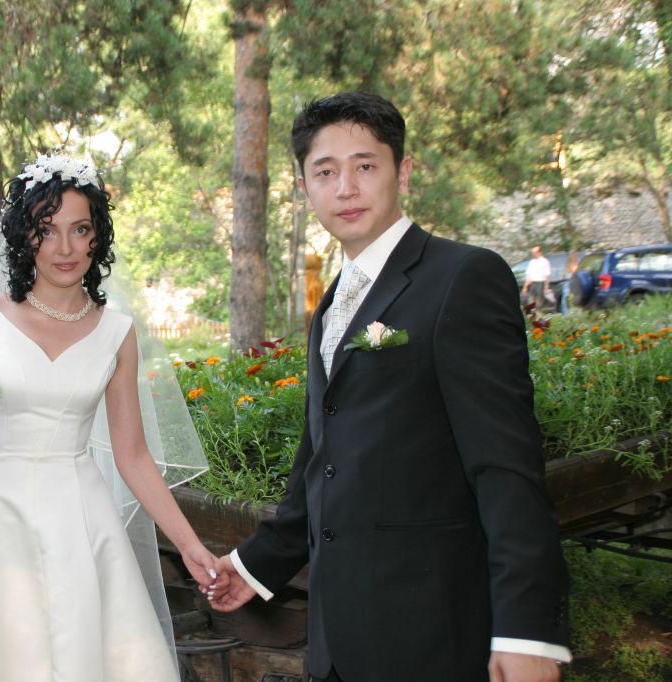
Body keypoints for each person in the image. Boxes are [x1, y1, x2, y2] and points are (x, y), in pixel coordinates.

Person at [209, 93, 570, 682]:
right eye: (325, 172)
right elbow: (324, 457)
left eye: (365, 165)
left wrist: (526, 631)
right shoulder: (333, 302)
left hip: (431, 632)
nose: (346, 188)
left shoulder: (462, 277)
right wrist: (253, 566)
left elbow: (506, 468)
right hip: (338, 637)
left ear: (402, 173)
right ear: (304, 188)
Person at [0, 154, 221, 681]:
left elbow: (133, 455)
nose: (65, 248)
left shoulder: (117, 333)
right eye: (47, 230)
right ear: (24, 235)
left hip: (80, 516)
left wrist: (191, 546)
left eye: (80, 230)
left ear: (97, 237)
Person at [522, 245, 552, 310]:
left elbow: (547, 275)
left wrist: (546, 287)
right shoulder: (531, 262)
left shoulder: (544, 261)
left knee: (539, 302)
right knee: (530, 301)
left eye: (535, 252)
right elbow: (528, 275)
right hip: (533, 283)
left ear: (539, 252)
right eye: (532, 253)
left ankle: (538, 313)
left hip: (541, 283)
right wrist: (525, 287)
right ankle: (531, 314)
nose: (533, 254)